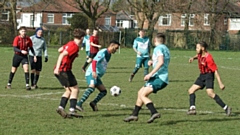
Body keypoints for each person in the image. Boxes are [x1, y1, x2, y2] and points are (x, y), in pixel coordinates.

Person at [124, 33, 170, 123]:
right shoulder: (165, 48)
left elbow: (161, 62)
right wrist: (152, 62)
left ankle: (154, 112)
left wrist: (150, 74)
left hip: (159, 77)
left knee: (143, 95)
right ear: (164, 41)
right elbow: (161, 62)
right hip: (159, 77)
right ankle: (134, 114)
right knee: (140, 92)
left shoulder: (158, 48)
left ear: (154, 41)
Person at [187, 41, 231, 116]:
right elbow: (197, 56)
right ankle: (192, 109)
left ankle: (226, 108)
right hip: (202, 76)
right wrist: (193, 58)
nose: (196, 49)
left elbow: (216, 71)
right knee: (191, 90)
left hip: (209, 76)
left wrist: (220, 83)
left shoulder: (209, 58)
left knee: (210, 93)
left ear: (203, 48)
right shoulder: (200, 54)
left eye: (197, 48)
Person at [76, 40, 120, 112]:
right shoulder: (103, 52)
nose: (116, 50)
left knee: (103, 91)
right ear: (111, 45)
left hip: (97, 76)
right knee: (92, 87)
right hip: (91, 73)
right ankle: (79, 104)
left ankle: (93, 103)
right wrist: (93, 71)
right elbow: (94, 61)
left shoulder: (109, 54)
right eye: (116, 48)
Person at [54, 28, 86, 118]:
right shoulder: (74, 46)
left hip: (61, 70)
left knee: (69, 90)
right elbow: (61, 54)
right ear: (82, 38)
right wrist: (57, 68)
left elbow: (60, 50)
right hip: (64, 70)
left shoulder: (70, 43)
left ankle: (61, 107)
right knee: (75, 89)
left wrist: (73, 54)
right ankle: (72, 110)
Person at [6, 26, 37, 90]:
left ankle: (27, 85)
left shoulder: (28, 39)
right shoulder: (17, 38)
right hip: (17, 56)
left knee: (26, 69)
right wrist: (21, 51)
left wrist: (34, 55)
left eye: (25, 31)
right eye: (22, 31)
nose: (24, 32)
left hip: (24, 57)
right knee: (13, 70)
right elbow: (15, 48)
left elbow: (31, 48)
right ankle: (9, 84)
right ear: (19, 32)